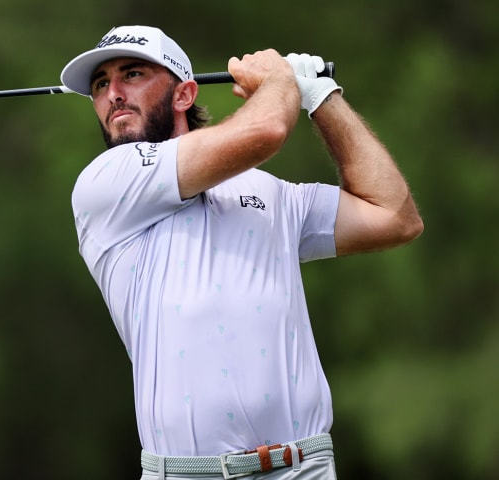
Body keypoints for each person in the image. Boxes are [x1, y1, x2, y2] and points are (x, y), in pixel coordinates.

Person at [60, 25, 423, 479]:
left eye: (131, 74)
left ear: (183, 95)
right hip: (186, 473)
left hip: (301, 467)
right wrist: (280, 80)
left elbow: (395, 216)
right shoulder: (105, 186)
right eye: (100, 84)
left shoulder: (273, 194)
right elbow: (268, 128)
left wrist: (323, 97)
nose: (112, 93)